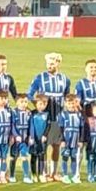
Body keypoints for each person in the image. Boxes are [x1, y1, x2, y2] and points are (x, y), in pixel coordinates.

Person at [28, 53, 70, 181]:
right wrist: (38, 106)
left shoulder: (65, 79)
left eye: (52, 63)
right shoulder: (39, 78)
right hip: (44, 119)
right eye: (48, 63)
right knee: (43, 145)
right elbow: (30, 94)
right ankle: (43, 172)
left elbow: (67, 97)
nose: (49, 66)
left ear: (58, 63)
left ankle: (54, 172)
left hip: (58, 118)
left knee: (56, 145)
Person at [59, 95, 84, 185]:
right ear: (65, 104)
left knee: (74, 157)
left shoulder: (79, 114)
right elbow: (61, 128)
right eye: (69, 103)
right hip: (66, 139)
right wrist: (62, 140)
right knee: (65, 157)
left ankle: (74, 175)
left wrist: (81, 140)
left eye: (73, 103)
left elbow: (82, 128)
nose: (71, 105)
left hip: (75, 139)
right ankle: (65, 175)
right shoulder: (63, 114)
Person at [11, 94, 34, 184]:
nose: (24, 104)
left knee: (24, 156)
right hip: (16, 141)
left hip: (24, 140)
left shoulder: (29, 113)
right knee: (14, 158)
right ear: (17, 103)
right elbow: (12, 125)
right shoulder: (13, 112)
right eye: (21, 102)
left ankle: (26, 176)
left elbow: (31, 125)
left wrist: (31, 136)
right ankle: (12, 175)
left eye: (25, 102)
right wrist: (16, 135)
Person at [29, 95, 51, 182]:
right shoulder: (32, 113)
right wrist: (31, 136)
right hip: (34, 138)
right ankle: (33, 174)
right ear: (36, 104)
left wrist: (45, 135)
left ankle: (41, 173)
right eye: (40, 104)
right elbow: (31, 126)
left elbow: (48, 126)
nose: (42, 106)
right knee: (33, 155)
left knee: (41, 155)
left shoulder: (47, 114)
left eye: (44, 104)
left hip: (43, 139)